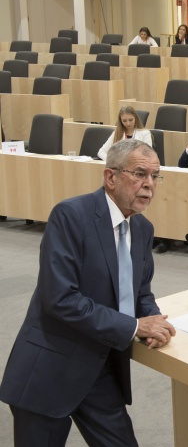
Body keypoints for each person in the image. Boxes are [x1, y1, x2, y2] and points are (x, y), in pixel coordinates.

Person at [0, 139, 175, 446]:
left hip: (101, 366)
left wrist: (153, 319)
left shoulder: (142, 229)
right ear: (110, 177)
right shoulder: (71, 215)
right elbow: (61, 299)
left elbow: (140, 292)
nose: (149, 184)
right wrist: (134, 327)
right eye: (139, 174)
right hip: (51, 367)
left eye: (155, 176)